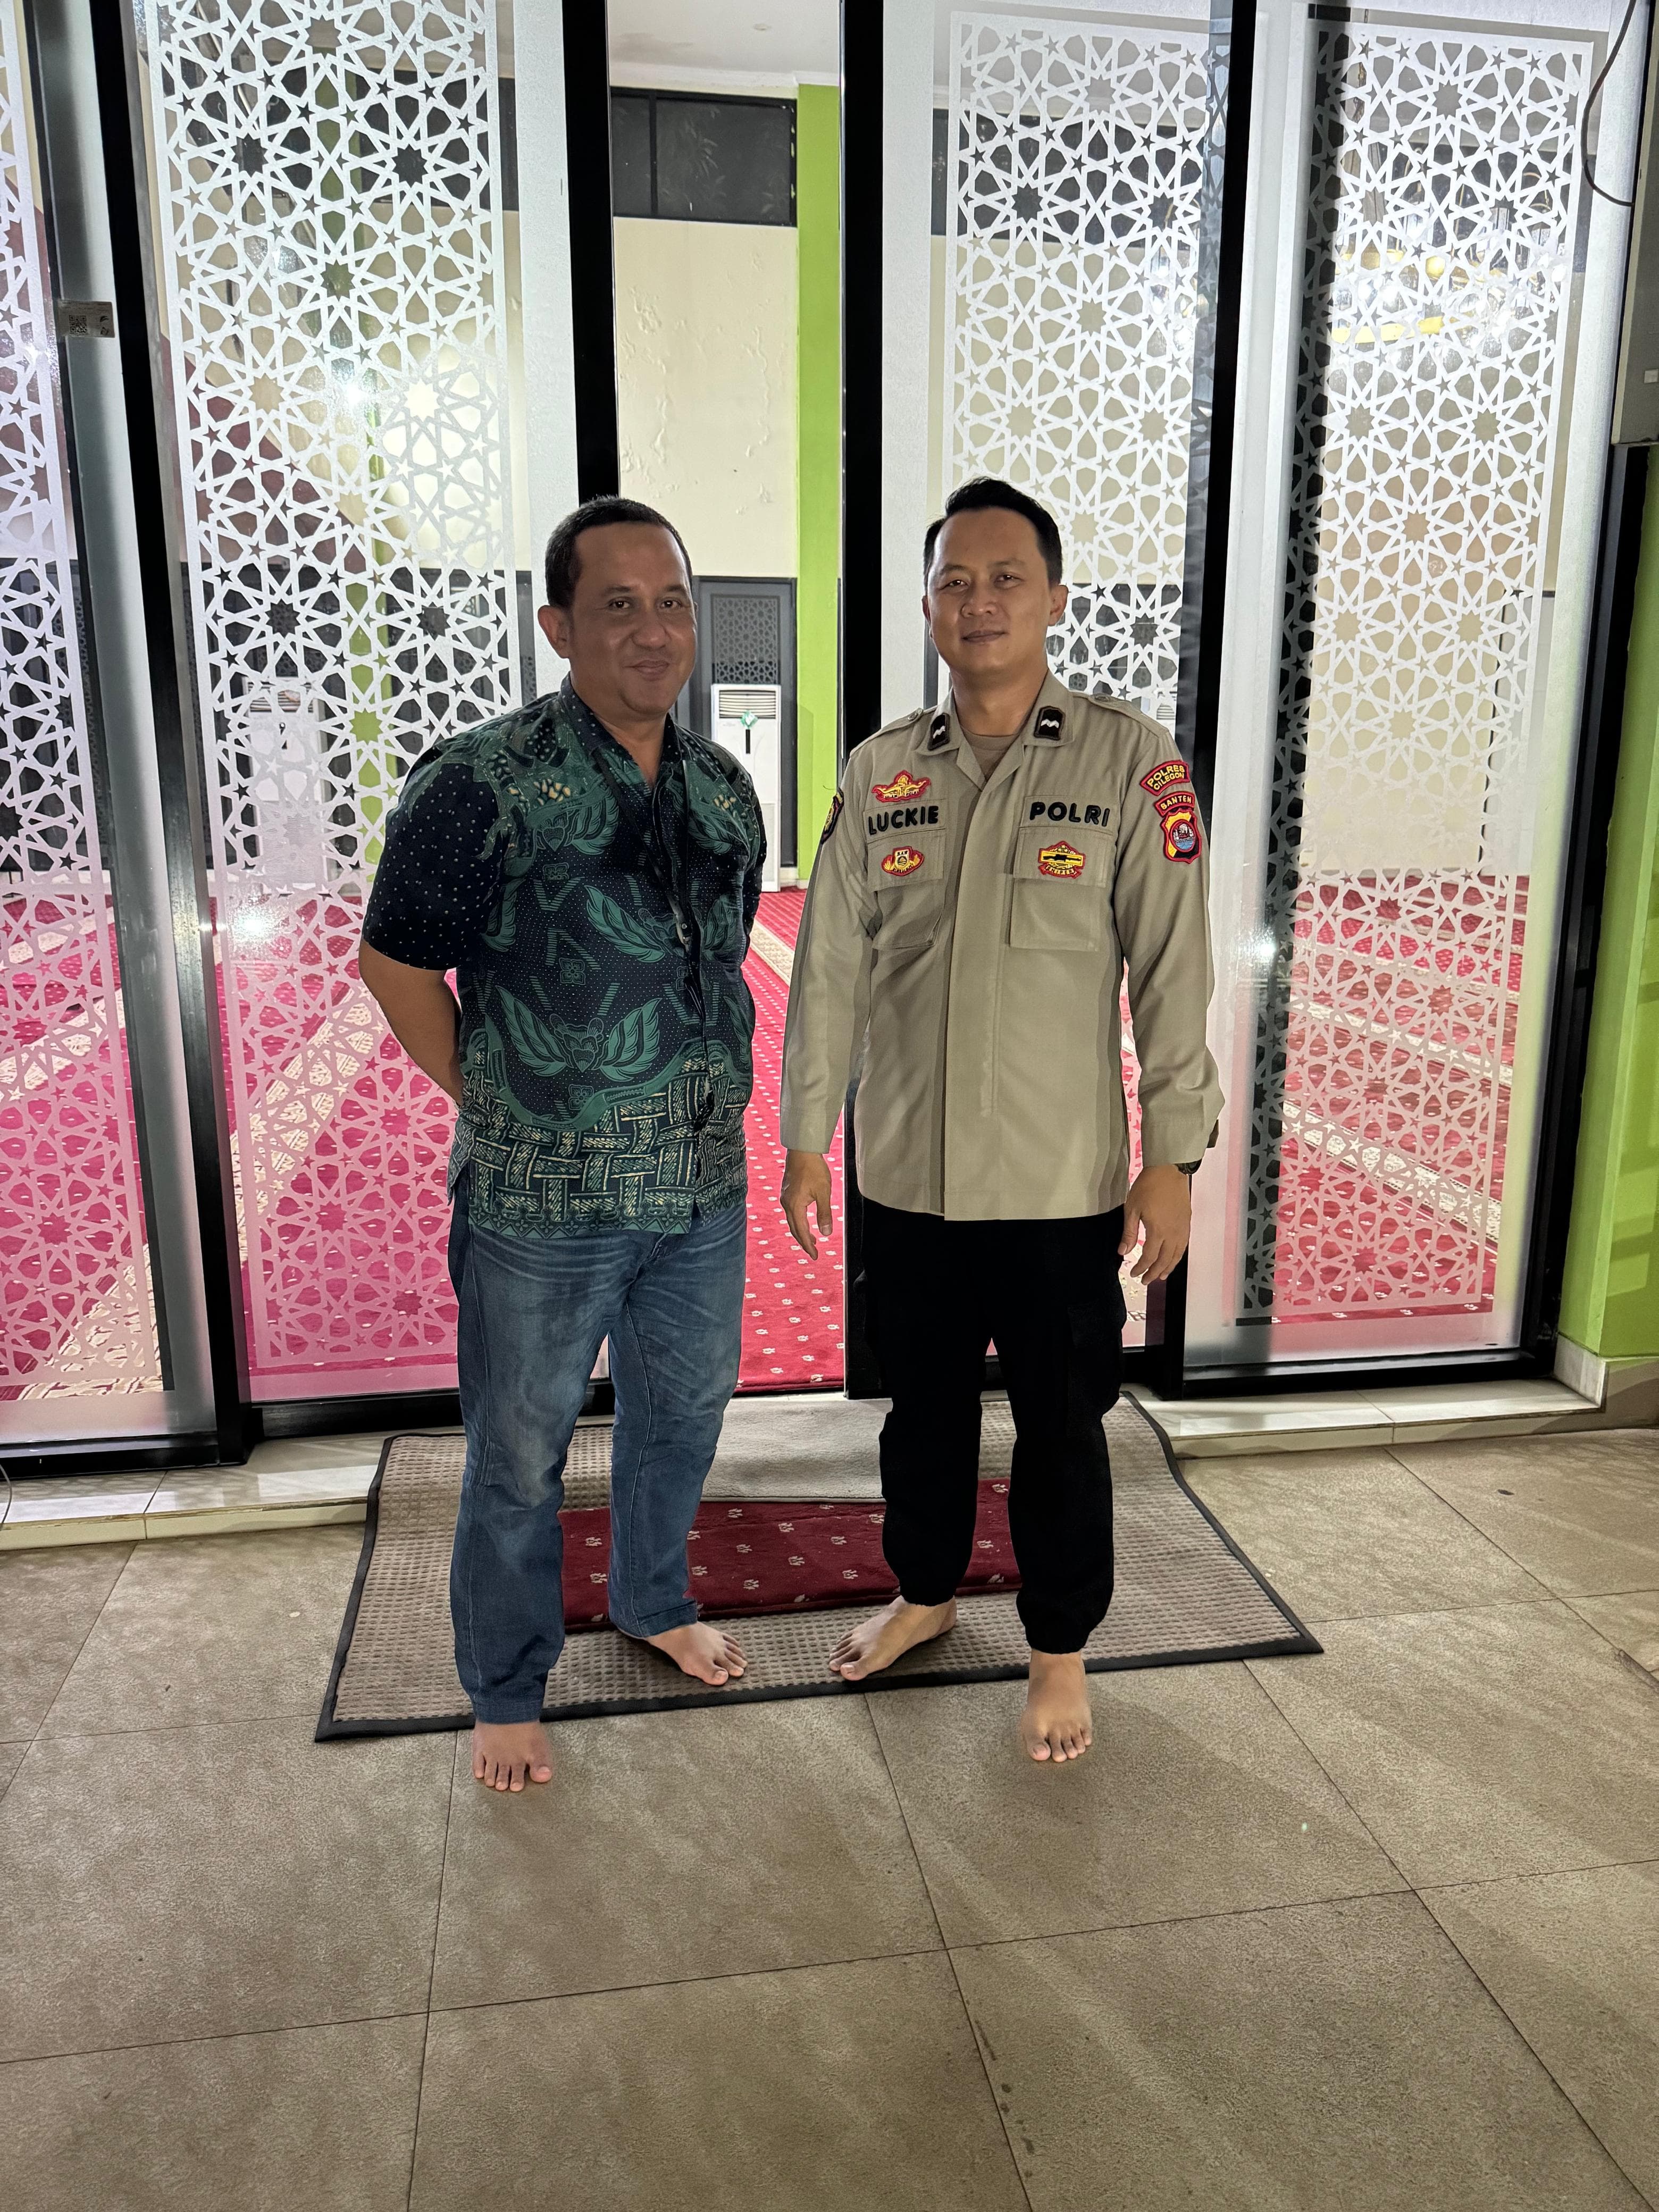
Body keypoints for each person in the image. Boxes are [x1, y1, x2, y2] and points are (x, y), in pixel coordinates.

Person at [780, 476, 1222, 1763]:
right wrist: (808, 1135)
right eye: (955, 582)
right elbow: (831, 970)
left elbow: (1174, 972)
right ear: (927, 604)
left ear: (1056, 599)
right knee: (919, 1414)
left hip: (1058, 1187)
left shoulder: (1132, 763)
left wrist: (1173, 1157)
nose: (980, 602)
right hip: (908, 1177)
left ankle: (1059, 1649)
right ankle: (924, 1594)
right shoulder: (882, 771)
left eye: (1006, 578)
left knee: (1061, 1428)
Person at [360, 496, 766, 1794]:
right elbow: (396, 963)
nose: (653, 631)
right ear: (557, 624)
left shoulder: (722, 789)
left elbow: (721, 961)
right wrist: (493, 1096)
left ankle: (651, 1600)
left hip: (700, 1190)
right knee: (521, 1452)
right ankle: (506, 1683)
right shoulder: (479, 782)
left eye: (672, 603)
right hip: (542, 1204)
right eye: (618, 606)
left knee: (681, 1419)